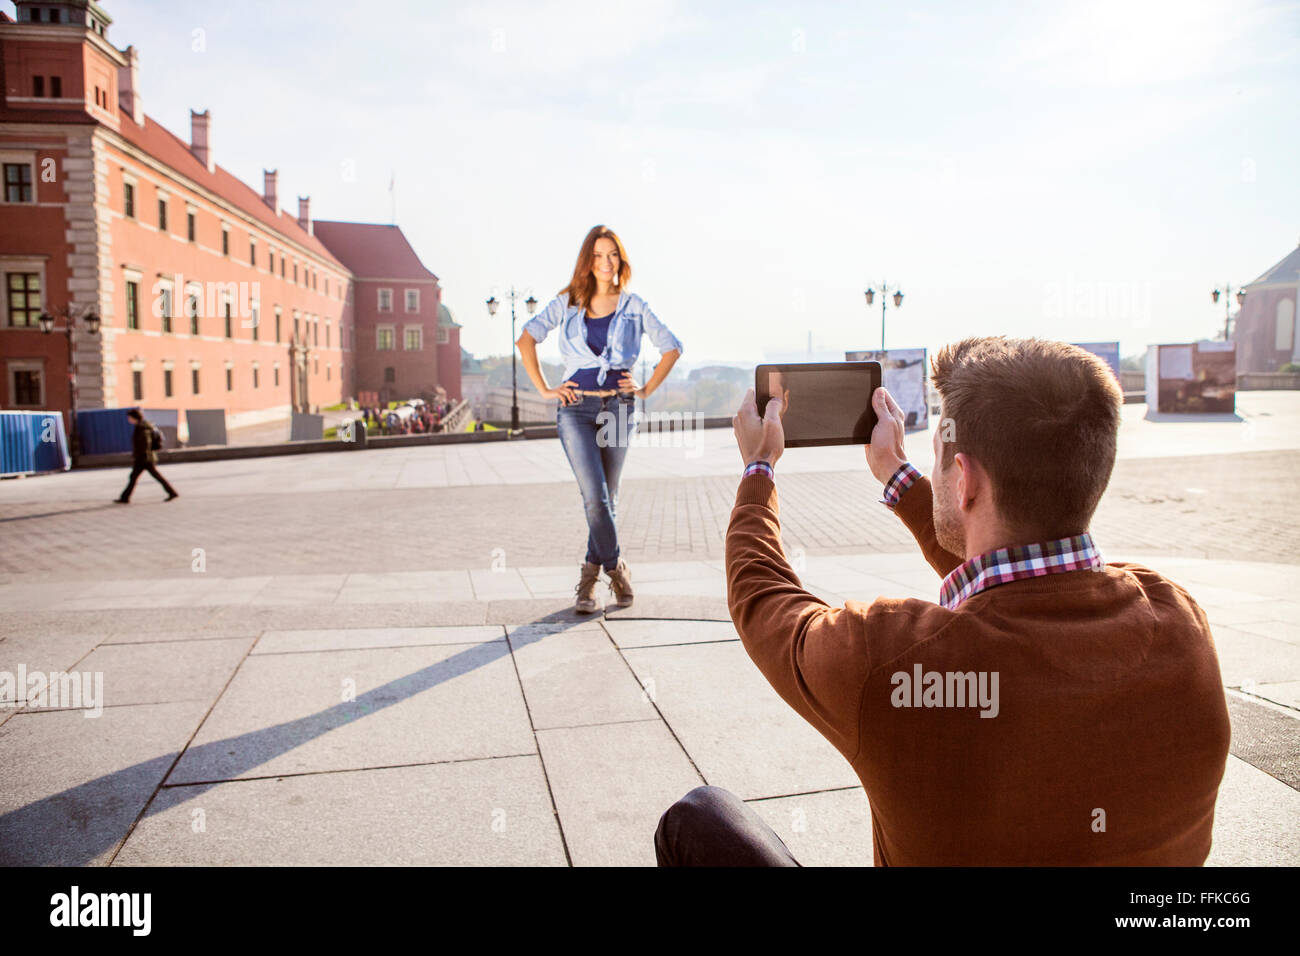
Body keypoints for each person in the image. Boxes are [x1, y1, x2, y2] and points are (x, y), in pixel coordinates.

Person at [655, 337, 1231, 866]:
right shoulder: (1180, 621)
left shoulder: (892, 661)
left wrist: (759, 468)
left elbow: (764, 600)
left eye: (936, 459)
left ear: (964, 479)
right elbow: (1024, 585)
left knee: (698, 819)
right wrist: (896, 474)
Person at [517, 224, 683, 613]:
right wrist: (545, 390)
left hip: (619, 409)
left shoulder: (634, 305)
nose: (605, 262)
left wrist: (643, 390)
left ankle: (589, 578)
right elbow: (527, 337)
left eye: (612, 254)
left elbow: (672, 347)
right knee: (595, 497)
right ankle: (614, 568)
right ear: (587, 261)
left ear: (620, 260)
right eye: (597, 255)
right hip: (576, 409)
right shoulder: (568, 302)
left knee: (607, 498)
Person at [116, 407, 178, 503]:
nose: (128, 419)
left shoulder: (142, 427)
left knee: (138, 477)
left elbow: (145, 442)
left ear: (134, 417)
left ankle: (125, 498)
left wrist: (141, 455)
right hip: (145, 457)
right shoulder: (142, 426)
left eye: (129, 417)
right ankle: (125, 497)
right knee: (135, 477)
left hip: (144, 458)